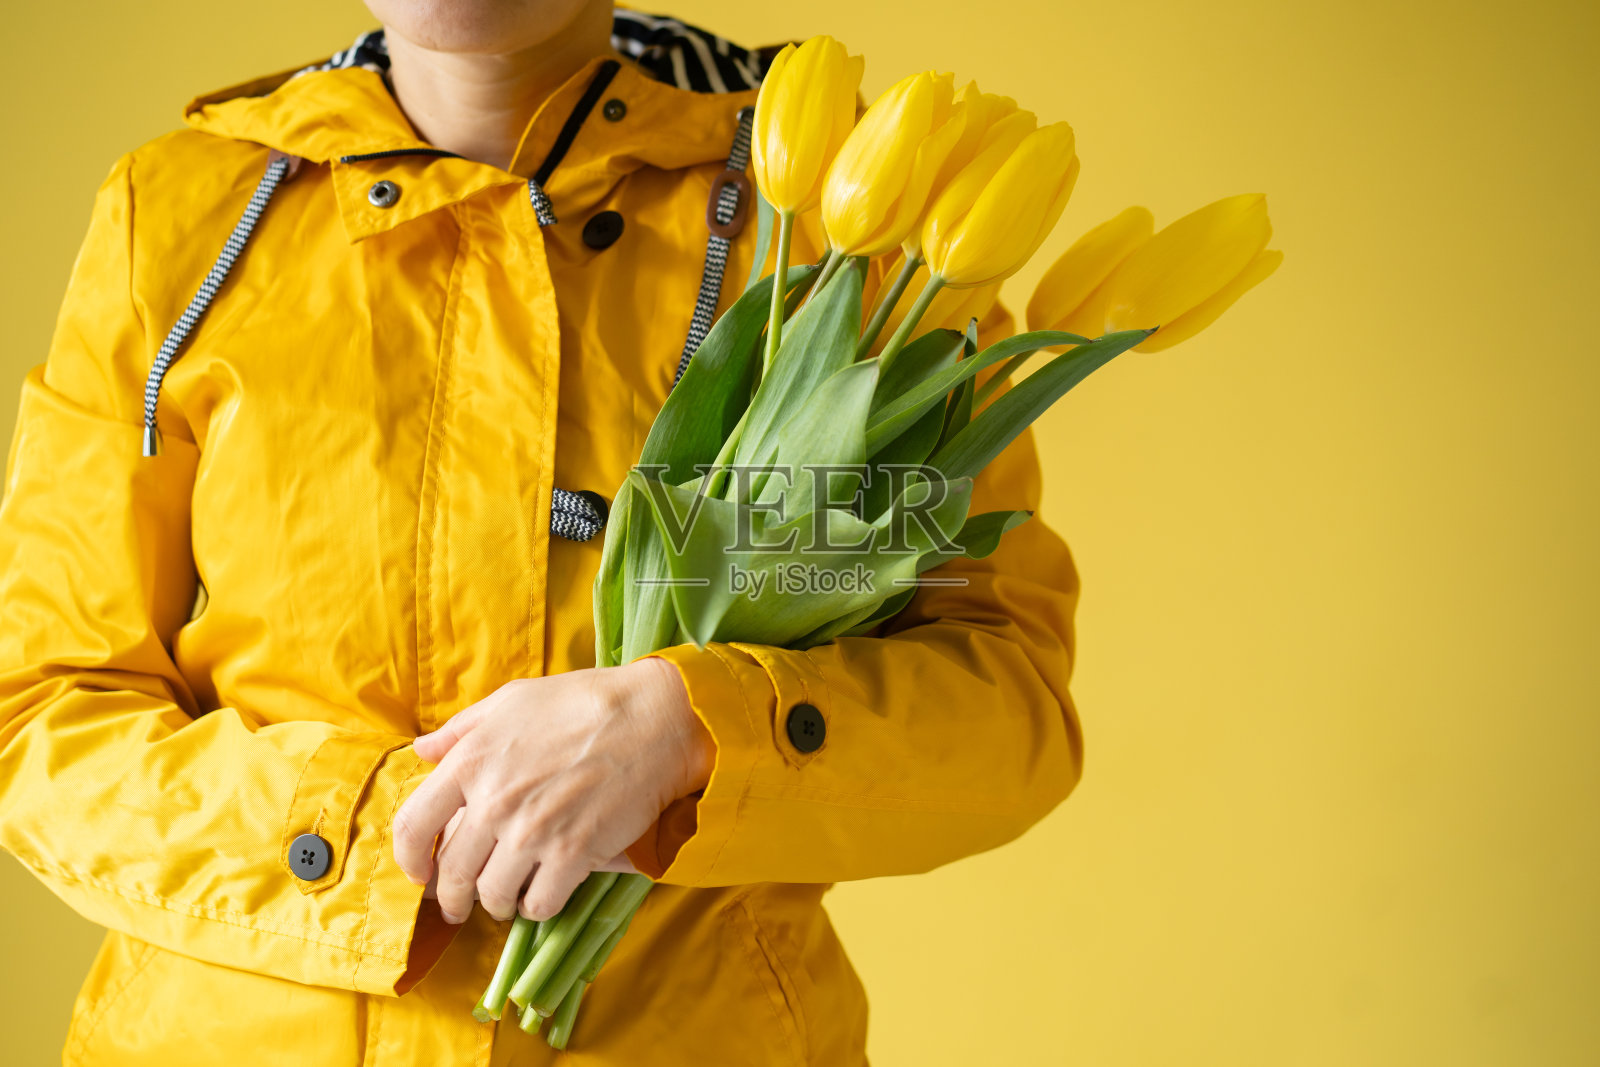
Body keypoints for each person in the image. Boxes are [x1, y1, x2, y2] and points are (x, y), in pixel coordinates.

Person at [0, 2, 1086, 1063]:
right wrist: (386, 833)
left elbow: (1001, 704)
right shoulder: (180, 215)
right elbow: (39, 708)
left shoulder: (853, 241)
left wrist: (689, 727)